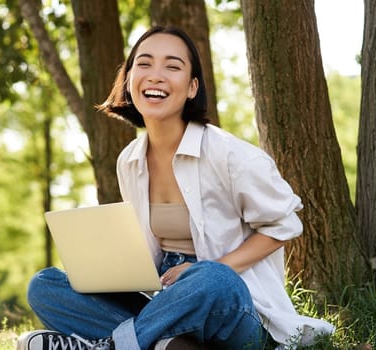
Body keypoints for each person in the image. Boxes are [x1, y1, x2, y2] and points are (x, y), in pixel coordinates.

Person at [17, 26, 334, 350]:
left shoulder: (229, 154)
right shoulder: (130, 161)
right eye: (144, 64)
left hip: (234, 307)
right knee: (45, 287)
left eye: (172, 66)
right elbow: (149, 252)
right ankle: (167, 343)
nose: (155, 75)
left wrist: (208, 268)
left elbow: (285, 224)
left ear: (192, 86)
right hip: (165, 301)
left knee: (213, 278)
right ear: (128, 80)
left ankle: (112, 345)